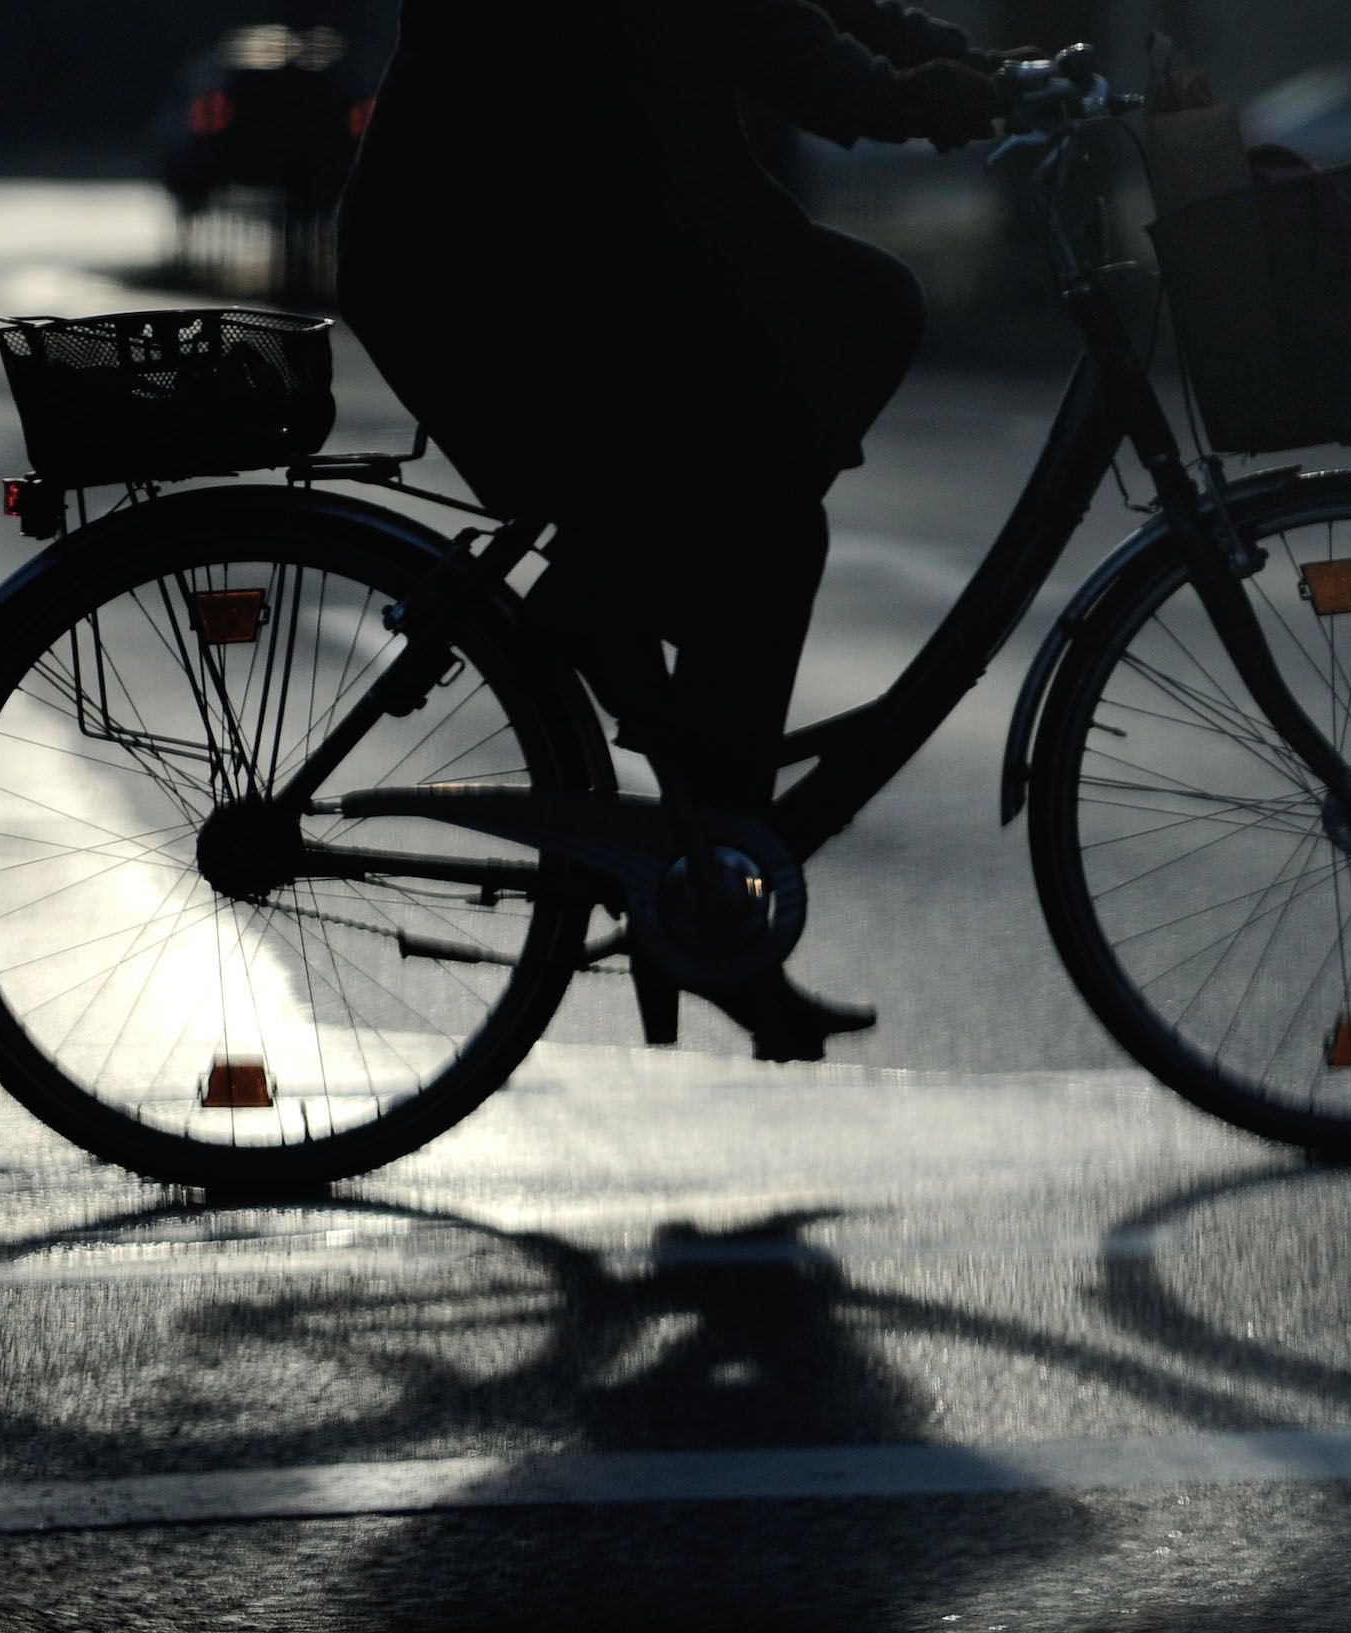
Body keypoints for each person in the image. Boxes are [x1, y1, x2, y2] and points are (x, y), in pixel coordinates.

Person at [337, 2, 1010, 1059]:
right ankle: (702, 886)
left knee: (768, 531)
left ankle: (704, 895)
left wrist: (959, 61)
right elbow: (770, 30)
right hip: (491, 266)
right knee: (852, 336)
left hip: (567, 241)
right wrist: (904, 91)